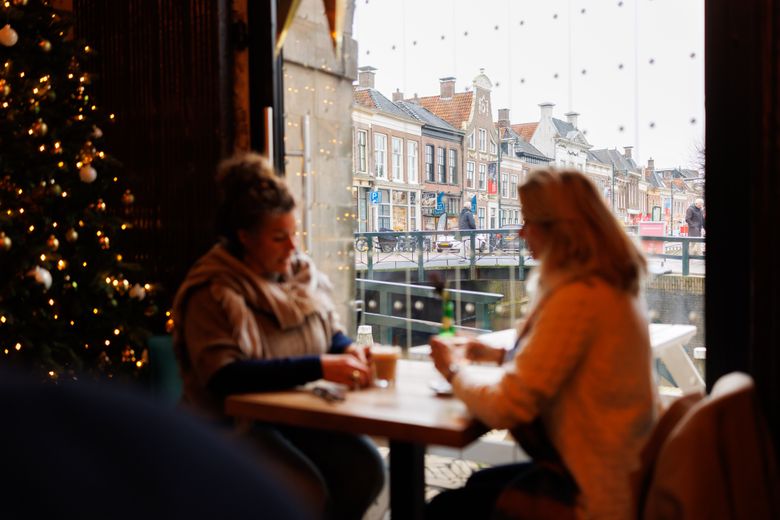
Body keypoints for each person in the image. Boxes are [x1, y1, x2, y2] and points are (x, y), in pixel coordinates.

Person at [427, 169, 657, 519]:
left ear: (560, 231)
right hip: (616, 472)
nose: (521, 233)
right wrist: (493, 354)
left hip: (592, 493)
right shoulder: (606, 286)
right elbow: (563, 367)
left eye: (528, 221)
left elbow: (509, 406)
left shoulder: (579, 297)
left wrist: (453, 370)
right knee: (478, 485)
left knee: (446, 509)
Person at [172, 153, 384, 520]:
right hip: (231, 427)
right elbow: (224, 378)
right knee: (307, 490)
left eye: (293, 234)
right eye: (278, 238)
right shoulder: (214, 291)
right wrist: (320, 367)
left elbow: (325, 333)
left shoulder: (297, 273)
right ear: (245, 238)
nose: (292, 247)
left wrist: (347, 349)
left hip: (293, 415)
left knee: (366, 469)